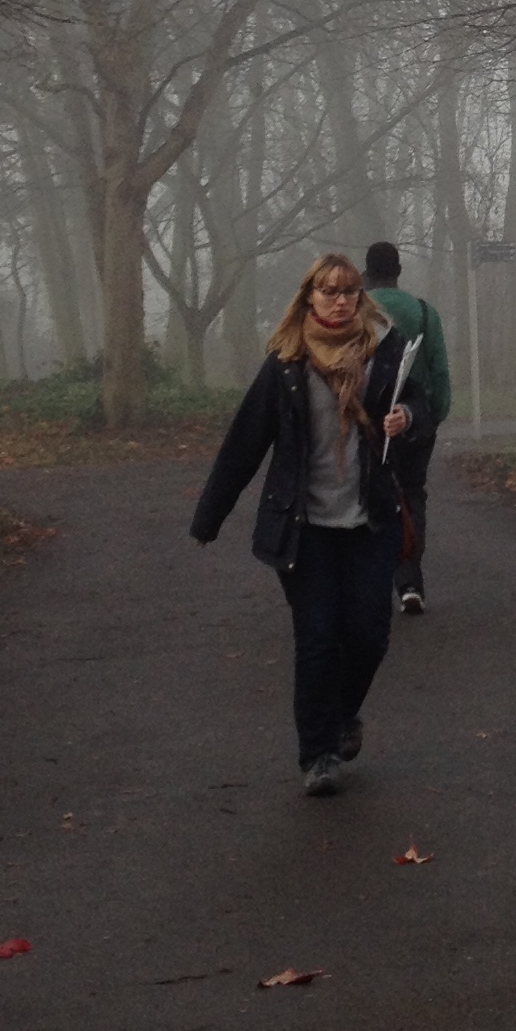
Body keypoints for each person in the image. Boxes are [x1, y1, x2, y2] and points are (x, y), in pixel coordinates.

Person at [189, 253, 417, 796]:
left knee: (368, 637)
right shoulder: (285, 364)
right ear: (308, 297)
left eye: (350, 292)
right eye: (328, 291)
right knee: (317, 640)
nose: (340, 300)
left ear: (361, 298)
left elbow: (420, 403)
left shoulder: (383, 355)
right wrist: (209, 517)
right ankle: (318, 755)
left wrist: (406, 417)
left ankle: (340, 719)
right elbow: (244, 444)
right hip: (305, 527)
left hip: (369, 522)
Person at [362, 239, 451, 611]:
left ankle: (370, 583)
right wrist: (434, 416)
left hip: (368, 422)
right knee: (412, 494)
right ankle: (410, 583)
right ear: (398, 272)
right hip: (415, 422)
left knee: (368, 497)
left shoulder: (357, 310)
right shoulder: (425, 313)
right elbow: (439, 372)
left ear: (367, 274)